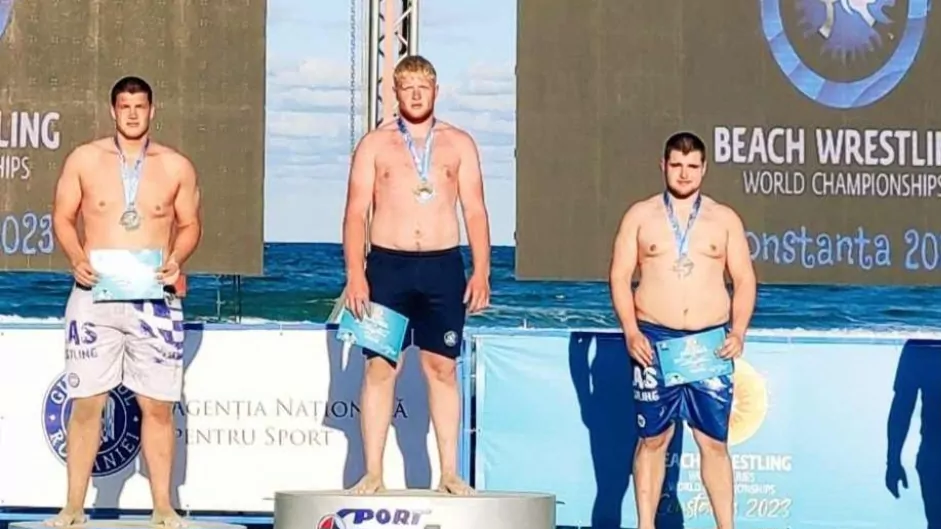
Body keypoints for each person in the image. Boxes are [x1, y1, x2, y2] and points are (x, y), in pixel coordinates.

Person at [45, 76, 202, 528]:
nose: (132, 113)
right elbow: (63, 215)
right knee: (87, 401)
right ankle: (73, 506)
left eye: (140, 106)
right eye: (124, 106)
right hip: (95, 294)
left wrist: (176, 259)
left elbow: (190, 224)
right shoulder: (84, 159)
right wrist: (76, 257)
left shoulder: (175, 166)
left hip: (154, 297)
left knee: (156, 405)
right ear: (113, 111)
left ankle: (163, 507)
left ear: (153, 111)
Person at [341, 55, 491, 495]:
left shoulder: (459, 143)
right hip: (386, 266)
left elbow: (476, 210)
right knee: (379, 367)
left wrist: (482, 270)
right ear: (395, 92)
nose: (416, 94)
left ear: (436, 91)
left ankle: (448, 472)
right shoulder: (374, 144)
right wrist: (355, 273)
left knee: (442, 368)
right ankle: (373, 472)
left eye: (423, 86)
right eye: (407, 87)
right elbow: (354, 213)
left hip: (443, 266)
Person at [608, 132, 757, 529]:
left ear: (704, 169)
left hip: (709, 345)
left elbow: (744, 280)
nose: (684, 173)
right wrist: (630, 331)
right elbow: (620, 276)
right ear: (663, 165)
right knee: (653, 440)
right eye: (677, 165)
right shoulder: (640, 216)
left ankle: (726, 526)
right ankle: (645, 525)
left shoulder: (724, 219)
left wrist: (738, 331)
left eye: (692, 166)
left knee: (713, 442)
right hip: (654, 342)